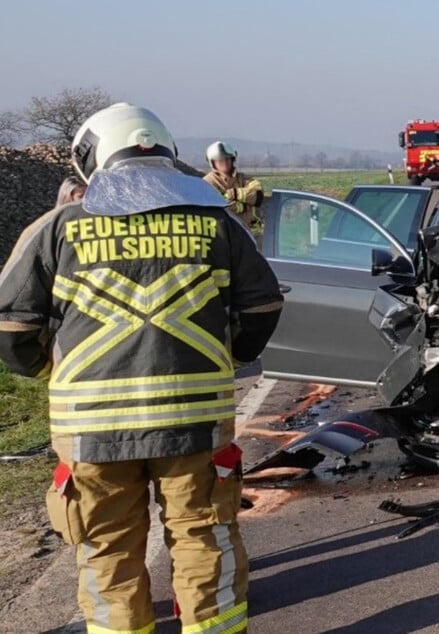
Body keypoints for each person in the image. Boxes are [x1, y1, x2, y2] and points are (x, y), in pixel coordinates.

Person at [0, 103, 283, 633]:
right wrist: (234, 356)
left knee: (105, 545)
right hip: (196, 423)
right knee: (204, 535)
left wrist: (52, 373)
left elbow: (11, 328)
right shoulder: (217, 222)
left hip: (91, 429)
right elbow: (263, 304)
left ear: (94, 156)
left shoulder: (57, 227)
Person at [203, 141, 265, 236]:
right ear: (212, 163)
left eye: (227, 159)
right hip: (221, 235)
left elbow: (258, 196)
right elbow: (217, 209)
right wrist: (244, 206)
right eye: (220, 160)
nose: (225, 162)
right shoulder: (206, 183)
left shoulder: (245, 179)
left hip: (250, 235)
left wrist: (234, 194)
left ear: (233, 159)